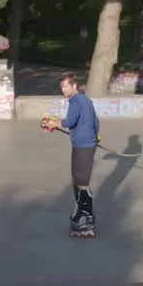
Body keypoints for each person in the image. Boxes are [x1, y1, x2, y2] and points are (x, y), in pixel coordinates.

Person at [41, 72, 101, 237]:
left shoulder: (75, 101)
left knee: (81, 181)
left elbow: (69, 122)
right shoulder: (87, 100)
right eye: (62, 87)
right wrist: (95, 136)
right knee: (78, 179)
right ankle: (82, 213)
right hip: (87, 144)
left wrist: (53, 123)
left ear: (75, 86)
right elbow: (96, 122)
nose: (63, 89)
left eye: (66, 86)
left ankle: (86, 218)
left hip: (83, 146)